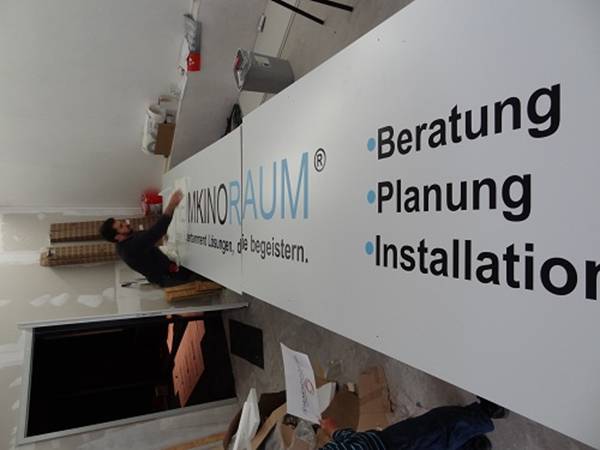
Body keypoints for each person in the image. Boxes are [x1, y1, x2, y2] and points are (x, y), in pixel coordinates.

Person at [319, 397, 507, 450]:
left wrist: (335, 433)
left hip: (388, 441)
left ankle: (468, 444)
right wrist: (336, 431)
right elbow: (361, 445)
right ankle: (486, 412)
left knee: (437, 437)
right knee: (439, 427)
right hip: (394, 444)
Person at [99, 190, 196, 287]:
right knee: (196, 279)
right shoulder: (129, 248)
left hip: (168, 266)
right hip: (169, 276)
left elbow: (146, 235)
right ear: (117, 236)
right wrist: (172, 205)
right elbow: (154, 232)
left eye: (122, 222)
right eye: (121, 226)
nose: (126, 224)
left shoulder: (125, 240)